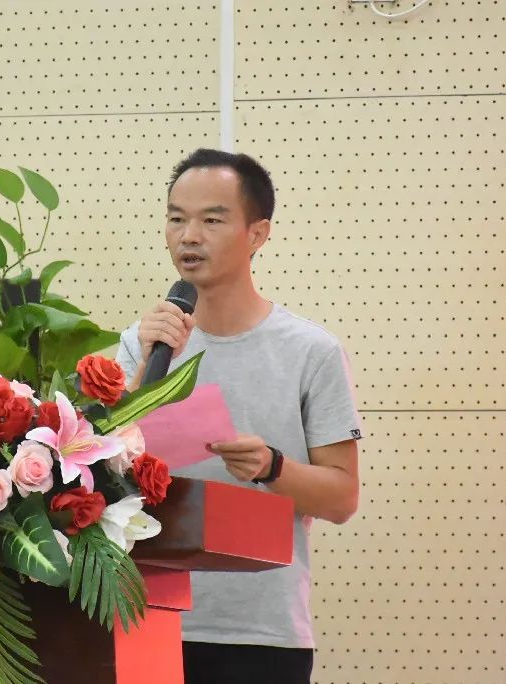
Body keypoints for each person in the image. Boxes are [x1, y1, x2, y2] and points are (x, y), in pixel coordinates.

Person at [115, 148, 363, 684]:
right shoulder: (142, 344)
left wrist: (273, 467)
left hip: (261, 634)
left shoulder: (311, 351)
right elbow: (102, 478)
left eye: (211, 220)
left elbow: (342, 498)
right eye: (176, 219)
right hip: (147, 618)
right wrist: (138, 385)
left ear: (257, 234)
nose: (188, 236)